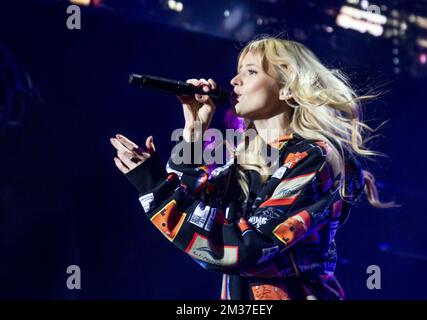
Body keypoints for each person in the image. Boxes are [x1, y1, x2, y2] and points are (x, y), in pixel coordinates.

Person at [110, 36, 399, 300]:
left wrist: (156, 188)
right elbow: (198, 209)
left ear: (286, 88)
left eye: (251, 71)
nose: (234, 80)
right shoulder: (248, 162)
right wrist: (194, 131)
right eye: (237, 71)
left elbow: (242, 247)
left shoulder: (315, 158)